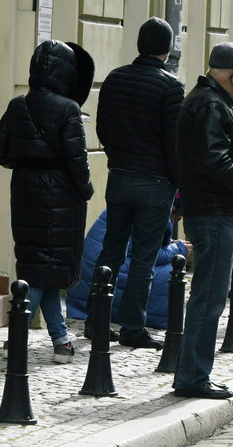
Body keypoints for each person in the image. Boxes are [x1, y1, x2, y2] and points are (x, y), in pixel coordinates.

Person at [0, 40, 95, 364]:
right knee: (42, 272)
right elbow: (78, 160)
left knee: (41, 267)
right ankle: (16, 338)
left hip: (24, 191)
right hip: (61, 194)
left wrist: (25, 161)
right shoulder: (68, 109)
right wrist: (86, 189)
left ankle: (61, 340)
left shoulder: (18, 104)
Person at [87, 17, 183, 348]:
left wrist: (119, 156)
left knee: (111, 249)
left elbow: (102, 128)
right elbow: (175, 142)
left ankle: (94, 320)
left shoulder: (115, 78)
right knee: (144, 257)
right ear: (167, 49)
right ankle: (132, 328)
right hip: (155, 182)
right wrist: (177, 182)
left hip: (120, 176)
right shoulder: (171, 86)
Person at [173, 41, 233, 400]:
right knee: (208, 297)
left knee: (208, 295)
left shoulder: (208, 100)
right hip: (214, 211)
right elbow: (213, 159)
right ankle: (193, 375)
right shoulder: (209, 103)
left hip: (212, 209)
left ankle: (194, 372)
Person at [66, 208, 191, 329]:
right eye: (177, 217)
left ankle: (95, 319)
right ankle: (137, 325)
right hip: (115, 272)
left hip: (87, 280)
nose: (177, 220)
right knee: (169, 268)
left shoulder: (127, 199)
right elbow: (147, 253)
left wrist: (172, 244)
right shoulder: (157, 209)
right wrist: (180, 248)